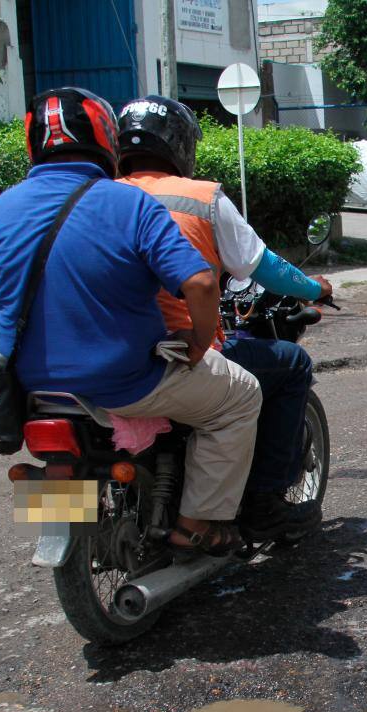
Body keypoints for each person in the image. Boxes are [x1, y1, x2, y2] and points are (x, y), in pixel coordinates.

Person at [0, 87, 261, 556]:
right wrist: (195, 343)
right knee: (242, 396)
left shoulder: (1, 209)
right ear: (108, 140)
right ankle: (195, 525)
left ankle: (54, 532)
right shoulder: (130, 204)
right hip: (126, 381)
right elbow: (203, 286)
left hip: (32, 388)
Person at [115, 95, 331, 540]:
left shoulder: (95, 196)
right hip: (167, 349)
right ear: (179, 145)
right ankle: (257, 504)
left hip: (90, 356)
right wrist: (315, 288)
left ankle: (59, 526)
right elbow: (259, 266)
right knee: (290, 365)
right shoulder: (199, 197)